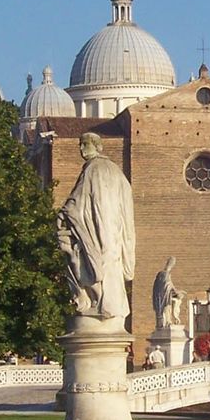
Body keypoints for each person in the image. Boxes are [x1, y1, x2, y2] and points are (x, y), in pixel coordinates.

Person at [57, 132, 135, 321]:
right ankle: (111, 305)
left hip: (98, 230)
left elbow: (77, 201)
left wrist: (62, 213)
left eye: (85, 144)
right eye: (80, 145)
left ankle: (101, 304)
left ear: (97, 146)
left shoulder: (92, 169)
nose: (81, 149)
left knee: (93, 262)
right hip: (115, 230)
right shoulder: (117, 172)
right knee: (110, 264)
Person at [151, 257, 185, 329]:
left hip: (163, 296)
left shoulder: (162, 274)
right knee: (167, 307)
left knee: (171, 304)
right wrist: (177, 292)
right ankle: (167, 321)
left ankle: (167, 321)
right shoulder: (165, 274)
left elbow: (168, 286)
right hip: (164, 298)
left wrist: (176, 292)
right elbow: (168, 285)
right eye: (172, 263)